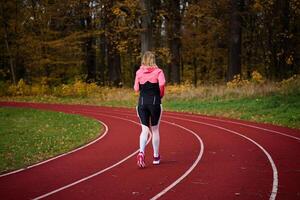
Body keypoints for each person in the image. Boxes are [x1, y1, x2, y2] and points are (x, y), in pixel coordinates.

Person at [134, 51, 166, 168]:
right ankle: (156, 157)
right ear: (153, 60)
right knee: (155, 130)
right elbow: (162, 84)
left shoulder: (138, 72)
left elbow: (136, 89)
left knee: (144, 130)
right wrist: (160, 94)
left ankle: (141, 152)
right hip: (155, 102)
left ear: (143, 60)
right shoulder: (159, 72)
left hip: (142, 103)